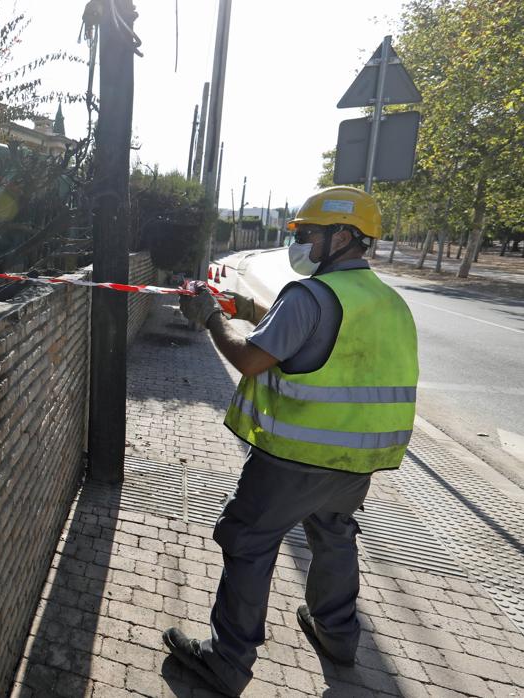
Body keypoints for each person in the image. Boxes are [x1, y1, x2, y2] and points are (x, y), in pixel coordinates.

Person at [162, 186, 419, 696]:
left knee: (248, 541)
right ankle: (338, 635)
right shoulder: (390, 302)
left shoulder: (310, 295)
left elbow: (252, 360)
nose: (297, 243)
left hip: (294, 459)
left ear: (343, 236)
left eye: (306, 234)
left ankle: (228, 661)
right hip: (357, 460)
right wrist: (250, 309)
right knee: (334, 534)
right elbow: (324, 345)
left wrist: (211, 316)